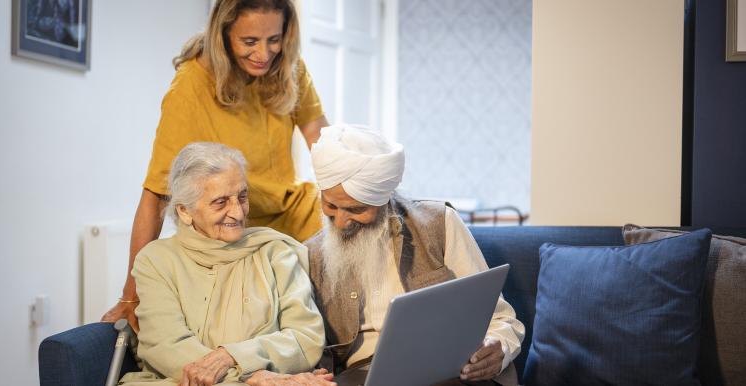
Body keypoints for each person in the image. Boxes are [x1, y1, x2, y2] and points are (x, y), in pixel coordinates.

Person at [103, 0, 329, 331]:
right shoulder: (191, 85)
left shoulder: (289, 67)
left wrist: (349, 190)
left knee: (366, 235)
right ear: (222, 35)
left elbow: (319, 136)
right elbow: (156, 193)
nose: (264, 53)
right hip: (231, 228)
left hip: (290, 212)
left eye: (274, 39)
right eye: (249, 42)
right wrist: (130, 295)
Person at [304, 125, 526, 386]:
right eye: (330, 205)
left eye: (356, 209)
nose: (340, 222)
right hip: (360, 377)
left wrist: (498, 346)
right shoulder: (311, 254)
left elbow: (500, 318)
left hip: (448, 371)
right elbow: (304, 343)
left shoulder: (439, 223)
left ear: (383, 198)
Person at [119, 142, 335, 386]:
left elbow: (306, 338)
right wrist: (252, 377)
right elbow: (168, 348)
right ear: (185, 211)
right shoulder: (155, 261)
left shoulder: (275, 251)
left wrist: (232, 356)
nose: (238, 213)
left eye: (242, 197)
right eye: (220, 202)